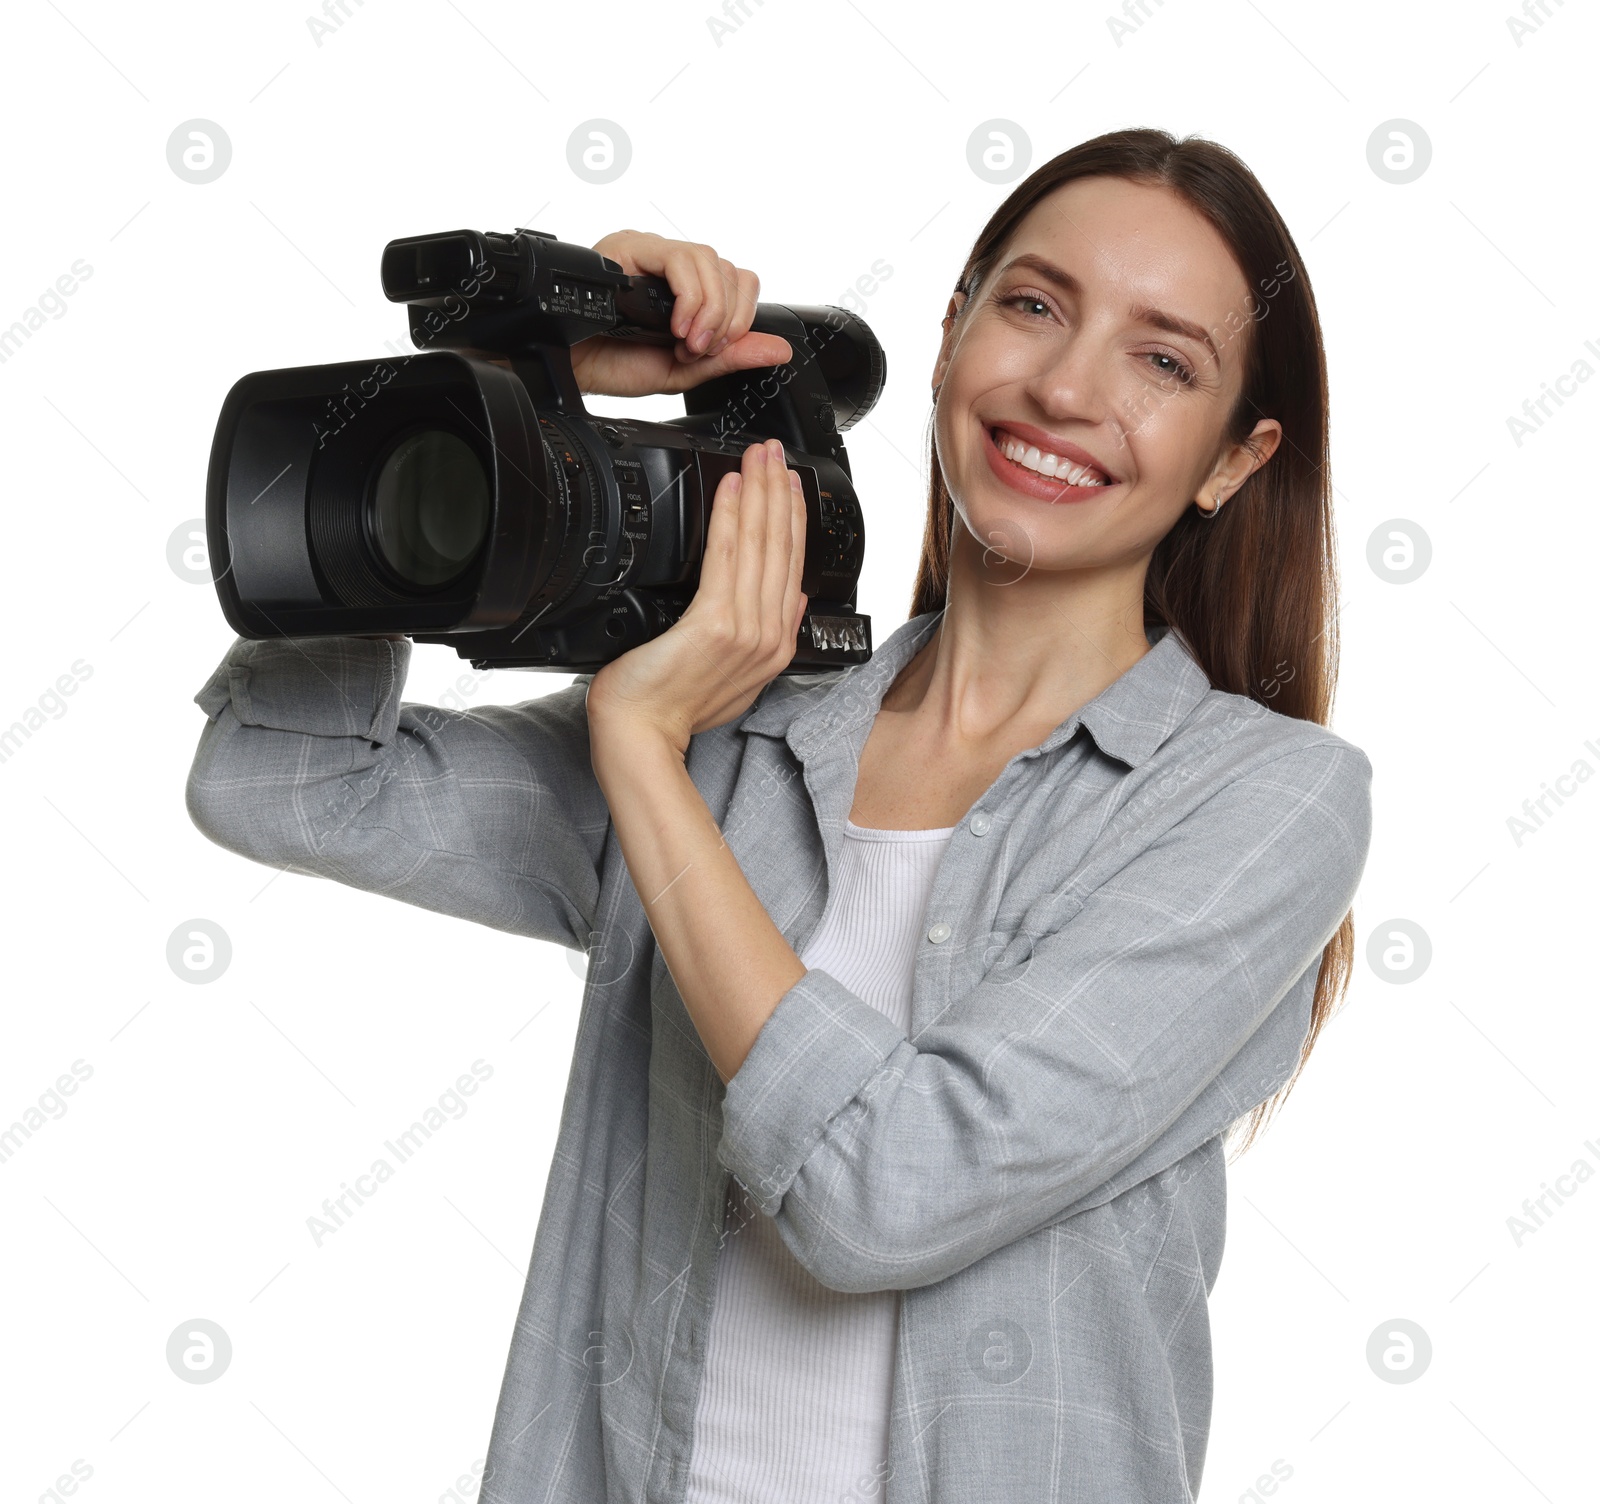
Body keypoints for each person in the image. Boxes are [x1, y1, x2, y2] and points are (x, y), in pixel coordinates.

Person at [186, 126, 1373, 1503]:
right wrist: (507, 401)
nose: (1062, 385)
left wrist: (642, 743)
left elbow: (889, 1195)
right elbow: (277, 776)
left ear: (1236, 459)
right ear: (950, 334)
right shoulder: (744, 718)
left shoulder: (1260, 804)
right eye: (1035, 306)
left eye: (1162, 360)